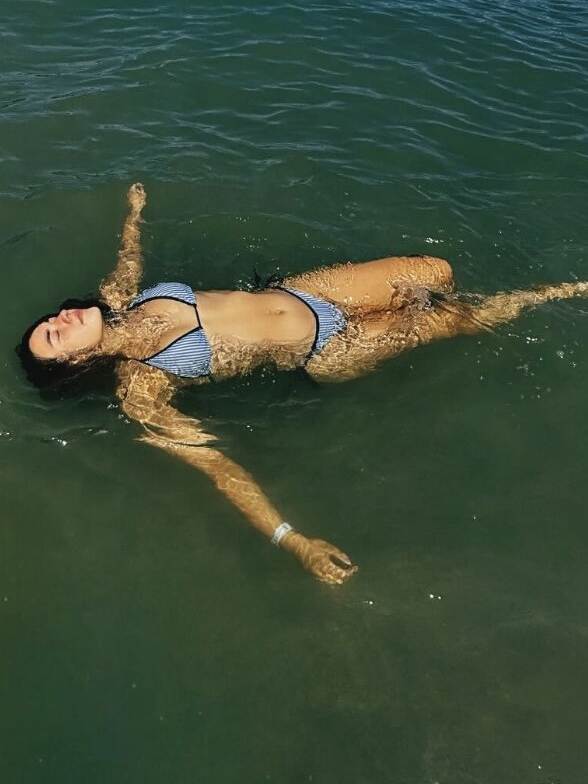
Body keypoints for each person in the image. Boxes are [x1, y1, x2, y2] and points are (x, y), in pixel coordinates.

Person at [16, 183, 588, 585]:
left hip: (306, 292)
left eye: (51, 320)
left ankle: (505, 299)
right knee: (456, 317)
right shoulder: (142, 388)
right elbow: (218, 467)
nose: (59, 319)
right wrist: (292, 540)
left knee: (437, 273)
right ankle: (554, 294)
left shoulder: (120, 301)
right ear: (76, 366)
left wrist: (133, 213)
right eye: (55, 337)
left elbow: (128, 259)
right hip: (328, 349)